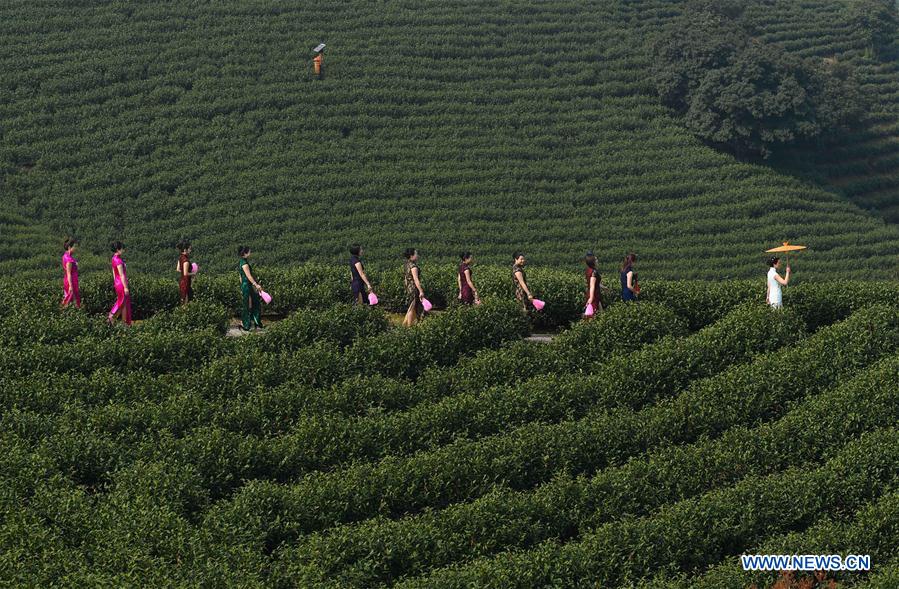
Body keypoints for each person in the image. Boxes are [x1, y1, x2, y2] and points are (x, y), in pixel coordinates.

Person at [238, 246, 264, 331]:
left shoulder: (241, 262)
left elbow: (240, 277)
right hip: (247, 285)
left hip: (245, 285)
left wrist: (242, 286)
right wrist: (256, 285)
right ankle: (248, 323)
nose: (250, 253)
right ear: (245, 253)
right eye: (249, 251)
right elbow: (249, 276)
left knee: (248, 304)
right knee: (254, 303)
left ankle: (248, 323)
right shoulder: (245, 264)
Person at [108, 241, 132, 325]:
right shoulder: (118, 260)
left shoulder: (114, 258)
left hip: (118, 283)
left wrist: (116, 283)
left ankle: (123, 322)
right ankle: (112, 317)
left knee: (123, 303)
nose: (123, 250)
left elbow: (114, 273)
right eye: (122, 248)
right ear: (118, 249)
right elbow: (122, 275)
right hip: (121, 283)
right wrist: (125, 287)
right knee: (121, 303)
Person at [402, 248, 425, 327]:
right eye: (416, 254)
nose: (417, 255)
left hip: (408, 287)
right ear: (411, 256)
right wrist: (421, 291)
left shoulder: (407, 264)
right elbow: (416, 280)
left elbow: (405, 278)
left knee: (411, 306)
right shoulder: (413, 267)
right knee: (412, 307)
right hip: (413, 288)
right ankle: (409, 326)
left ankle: (406, 324)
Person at [61, 237, 81, 308]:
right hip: (71, 281)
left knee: (69, 298)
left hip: (71, 280)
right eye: (74, 247)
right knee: (70, 299)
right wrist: (70, 286)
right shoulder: (69, 259)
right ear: (69, 247)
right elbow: (69, 273)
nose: (75, 248)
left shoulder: (66, 256)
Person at [176, 240, 197, 305]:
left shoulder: (180, 257)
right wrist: (193, 273)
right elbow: (185, 274)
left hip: (181, 281)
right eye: (189, 249)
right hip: (186, 282)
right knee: (186, 301)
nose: (190, 250)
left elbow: (178, 269)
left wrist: (185, 271)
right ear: (185, 250)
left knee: (183, 299)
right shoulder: (186, 261)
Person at [584, 251, 604, 316]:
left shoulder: (588, 270)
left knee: (600, 313)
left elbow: (595, 283)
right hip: (594, 295)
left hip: (592, 294)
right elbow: (592, 285)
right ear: (593, 262)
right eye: (596, 260)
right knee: (592, 315)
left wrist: (604, 288)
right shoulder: (594, 272)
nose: (597, 261)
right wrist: (591, 297)